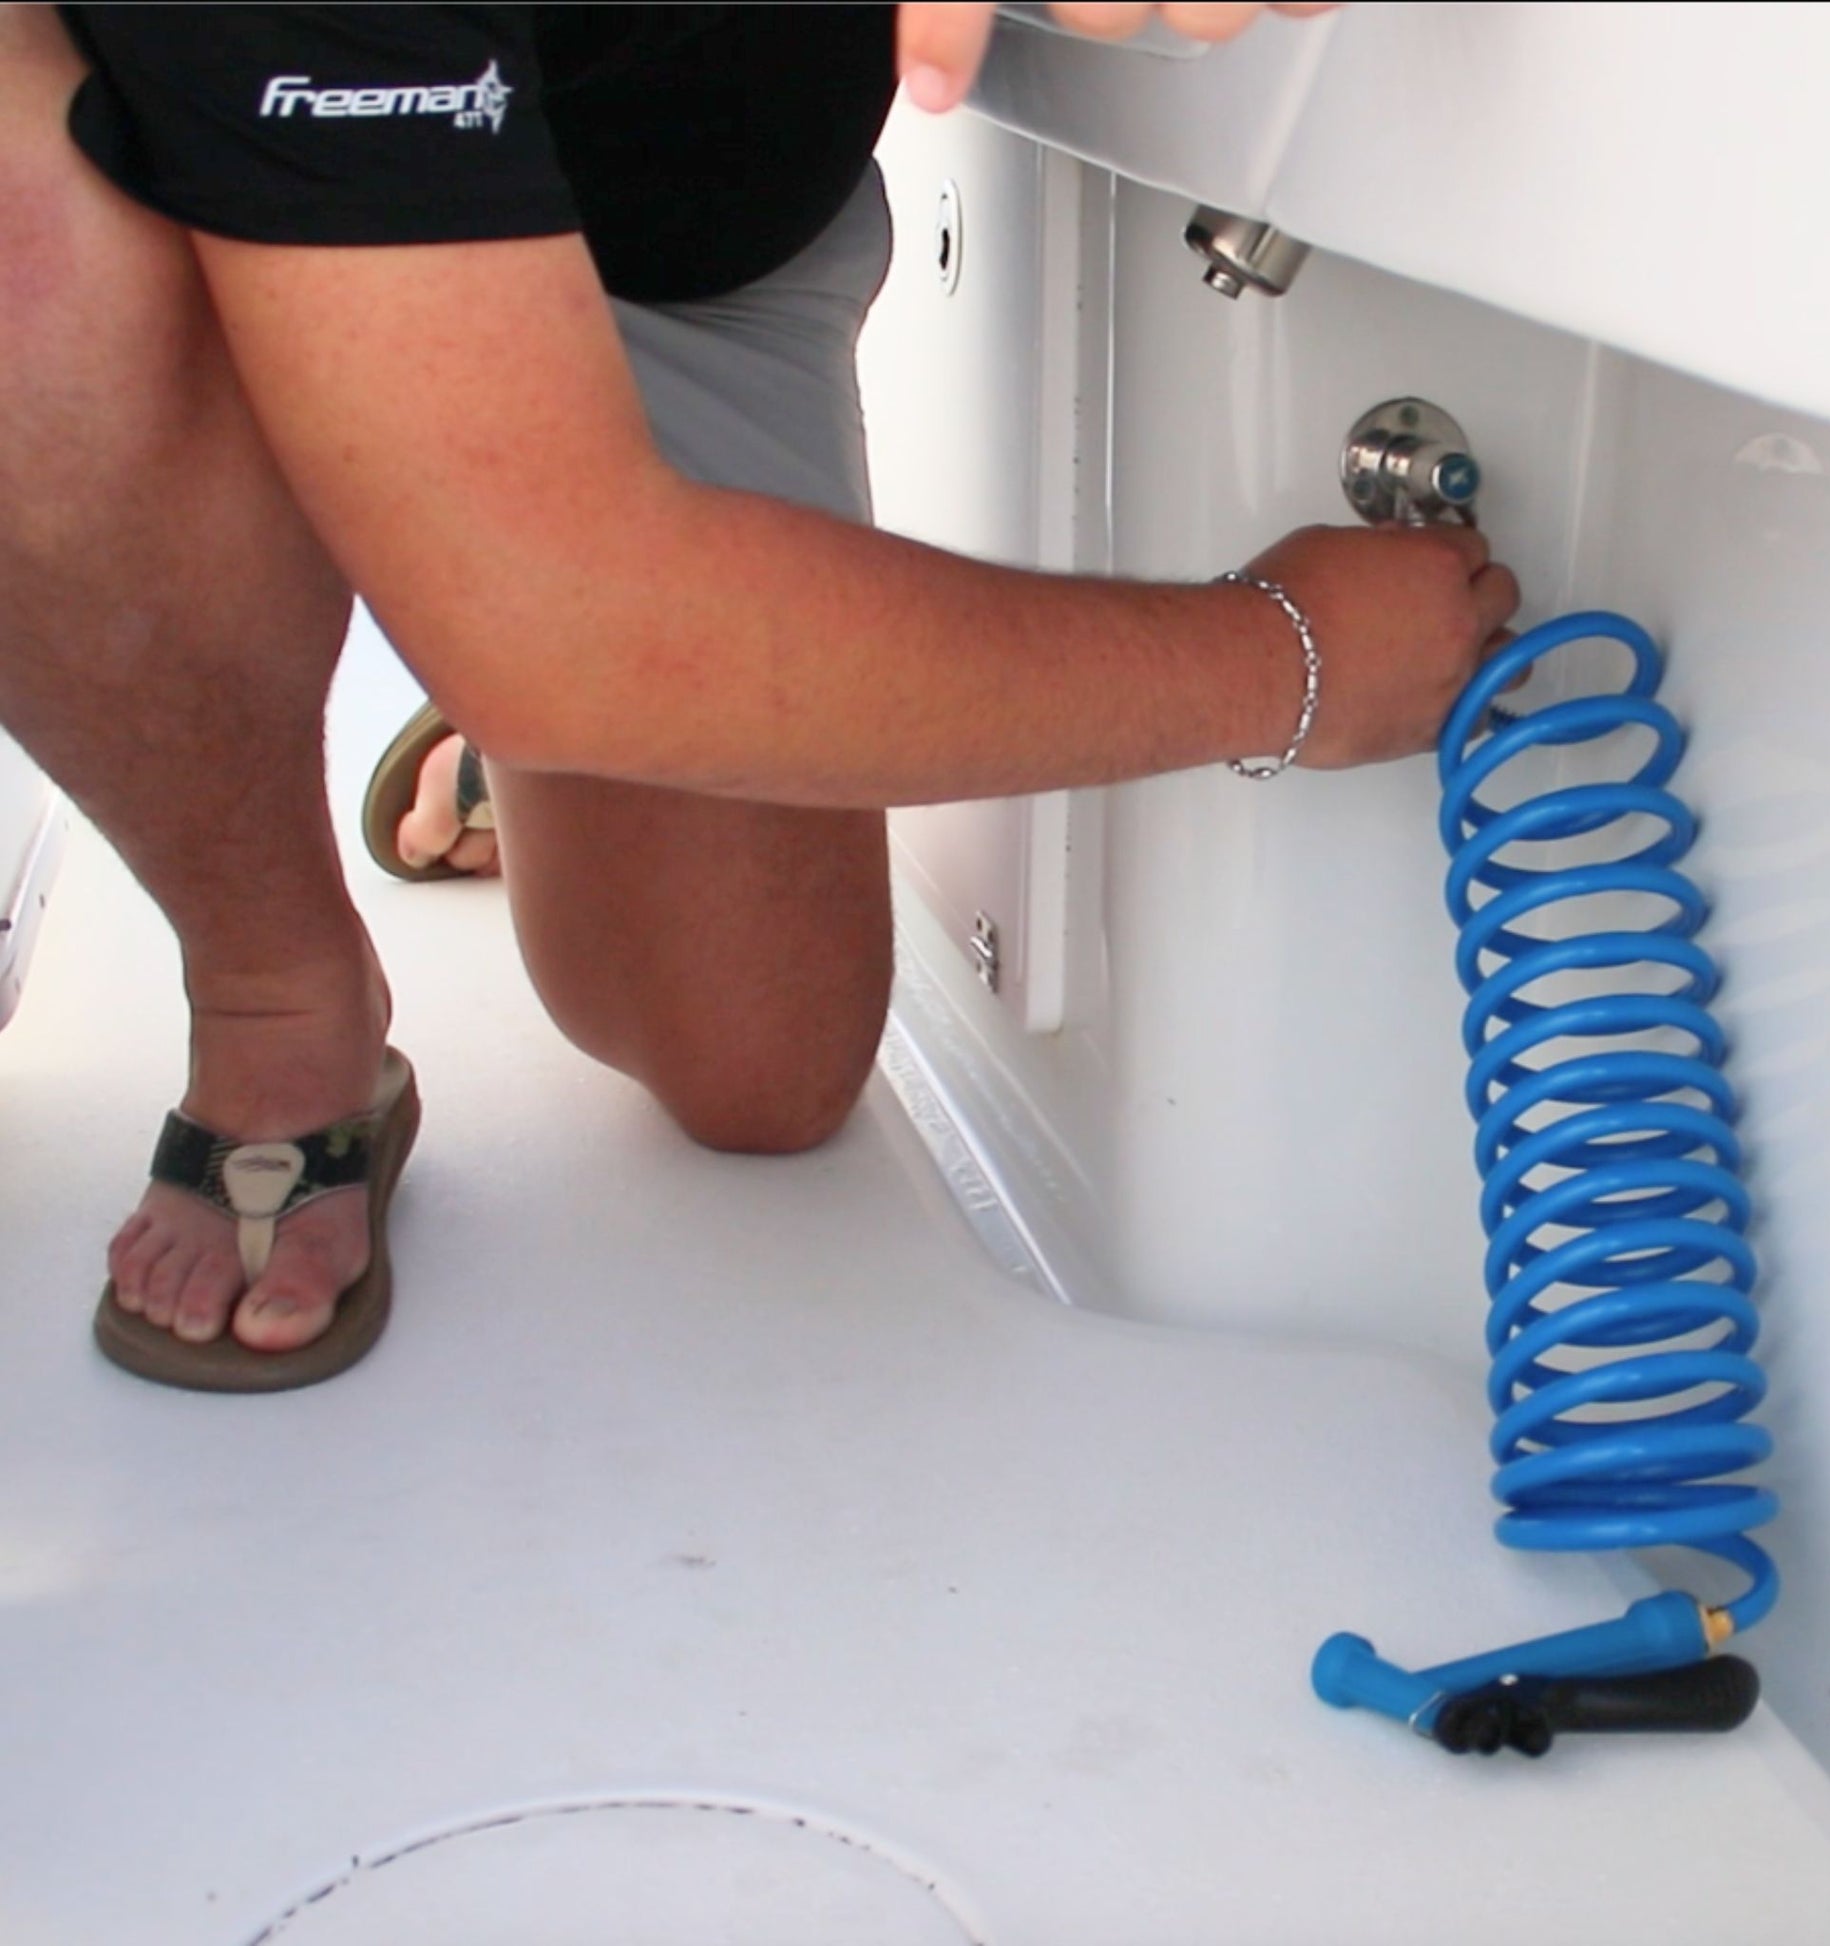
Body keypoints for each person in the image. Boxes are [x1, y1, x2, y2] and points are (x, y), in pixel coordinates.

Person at [0, 2, 1518, 1391]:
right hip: (187, 201)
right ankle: (275, 994)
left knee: (761, 1072)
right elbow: (566, 624)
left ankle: (526, 626)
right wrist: (1284, 662)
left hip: (676, 251)